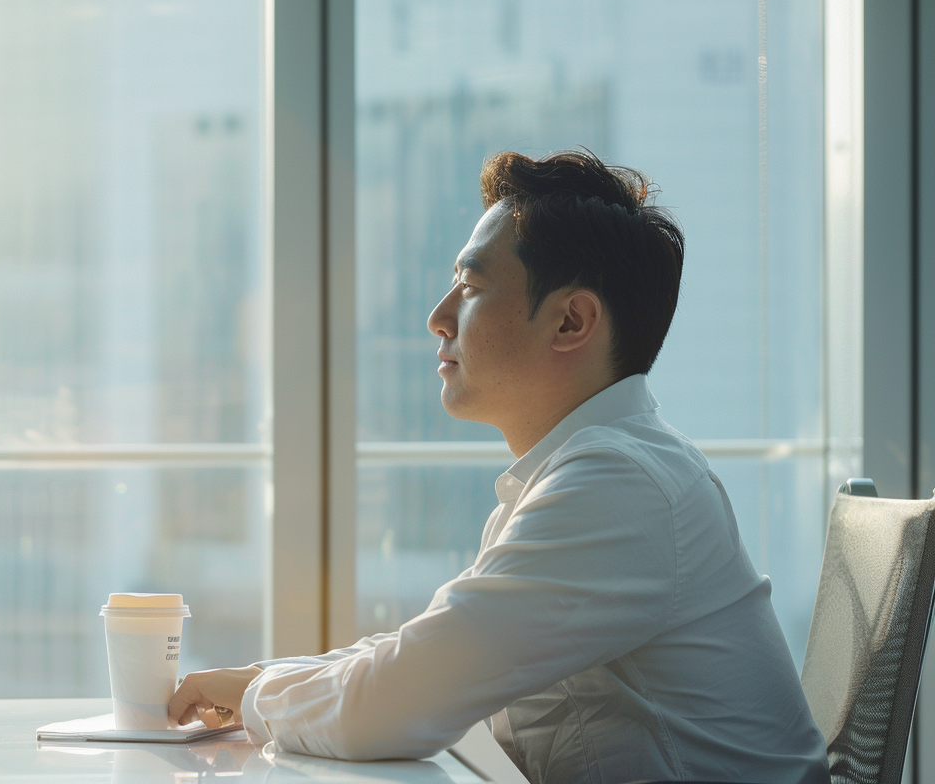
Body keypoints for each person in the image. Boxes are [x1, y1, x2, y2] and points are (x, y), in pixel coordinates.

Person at [168, 150, 830, 784]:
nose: (437, 318)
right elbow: (427, 652)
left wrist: (261, 694)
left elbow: (395, 703)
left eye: (470, 286)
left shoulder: (619, 486)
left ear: (572, 321)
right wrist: (262, 677)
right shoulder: (584, 471)